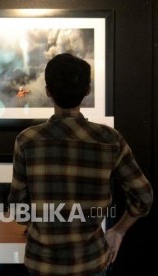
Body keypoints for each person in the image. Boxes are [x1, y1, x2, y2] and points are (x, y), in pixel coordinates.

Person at [8, 53, 153, 276]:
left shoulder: (27, 140)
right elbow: (143, 197)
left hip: (42, 264)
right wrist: (119, 231)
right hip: (91, 263)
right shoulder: (110, 139)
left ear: (47, 91)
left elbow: (18, 209)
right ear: (87, 90)